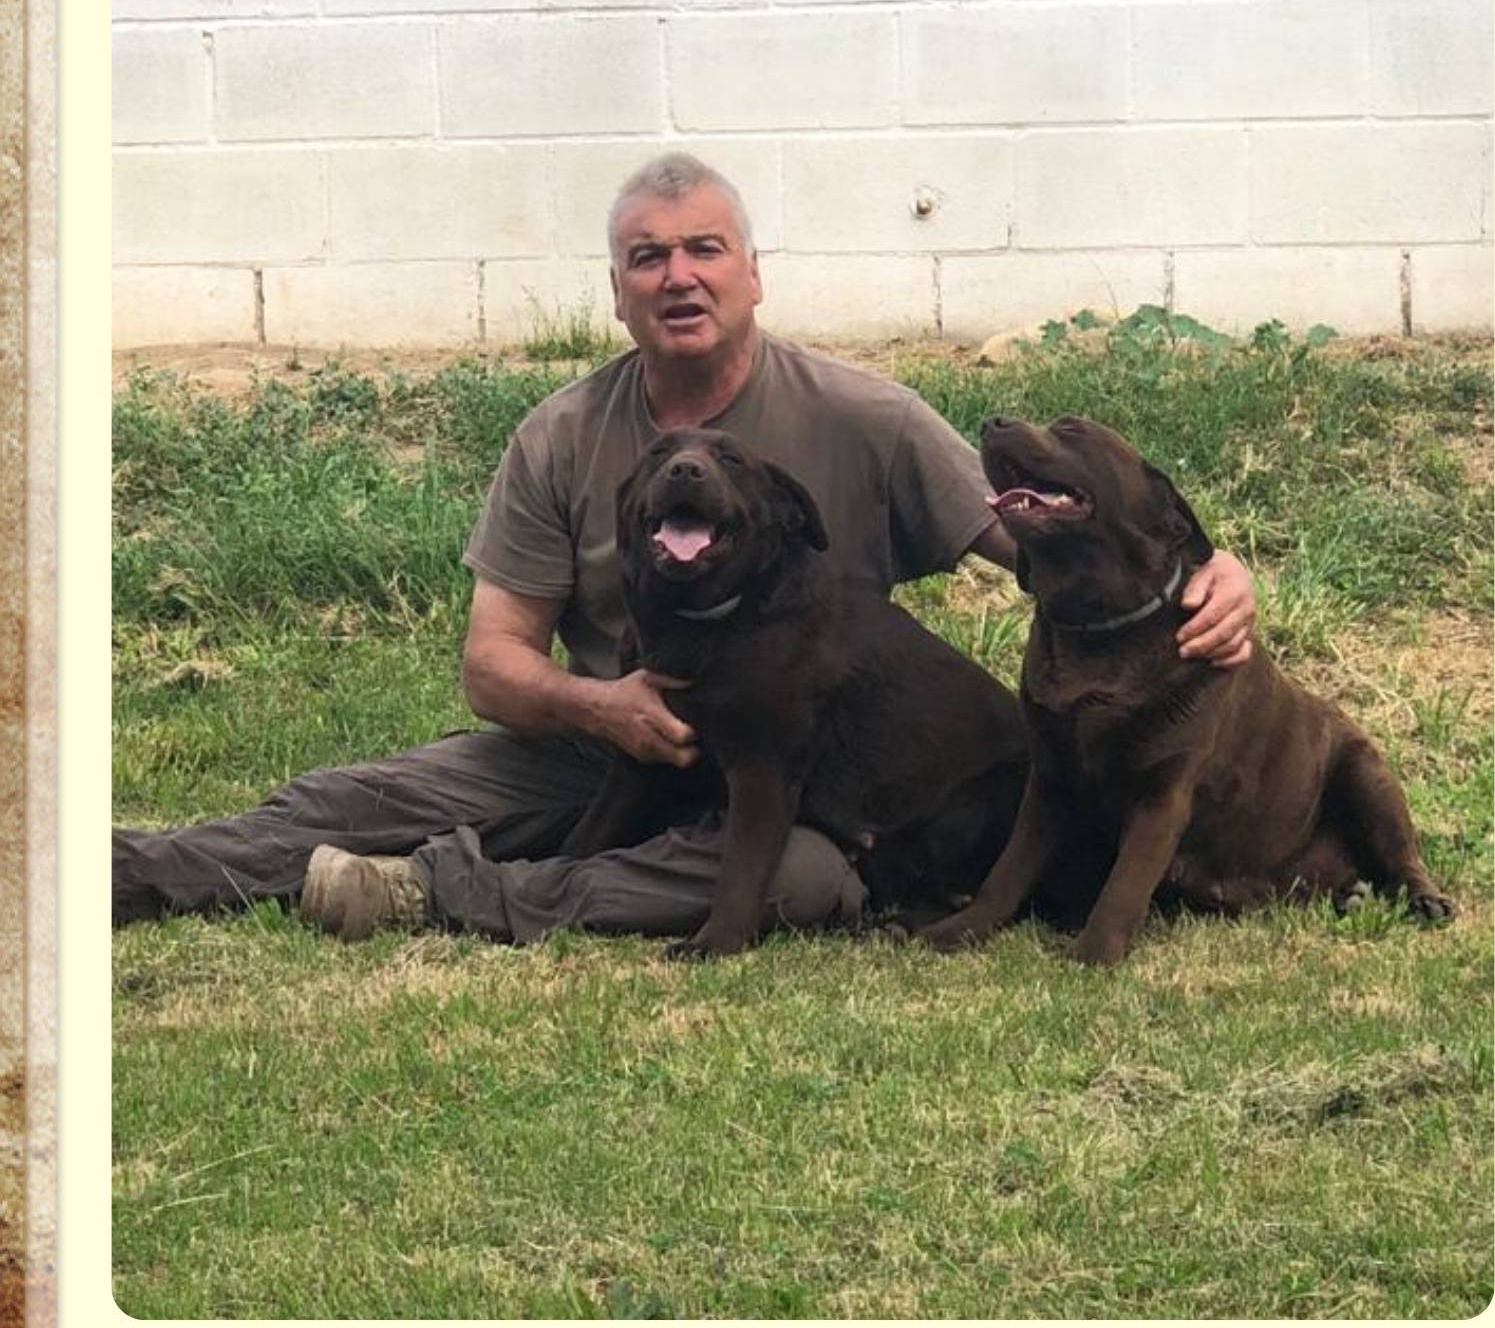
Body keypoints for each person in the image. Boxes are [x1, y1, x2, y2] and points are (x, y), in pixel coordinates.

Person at [112, 154, 1257, 945]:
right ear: (617, 294)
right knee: (361, 793)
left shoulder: (866, 416)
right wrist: (600, 706)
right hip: (609, 744)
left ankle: (439, 896)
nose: (679, 275)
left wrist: (1206, 575)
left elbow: (1056, 541)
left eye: (705, 249)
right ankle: (135, 873)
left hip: (792, 789)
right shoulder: (562, 434)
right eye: (647, 257)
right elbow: (493, 663)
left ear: (752, 274)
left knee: (796, 883)